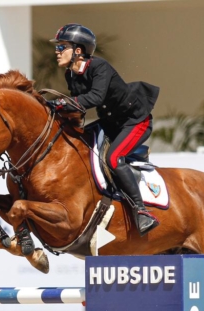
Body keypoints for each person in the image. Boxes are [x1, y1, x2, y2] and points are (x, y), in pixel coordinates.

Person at [47, 23, 161, 236]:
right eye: (58, 47)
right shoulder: (70, 75)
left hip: (135, 121)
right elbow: (78, 109)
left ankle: (141, 211)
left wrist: (59, 103)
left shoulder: (100, 67)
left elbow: (94, 98)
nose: (57, 51)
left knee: (113, 159)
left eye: (62, 46)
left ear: (78, 51)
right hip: (110, 122)